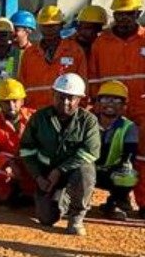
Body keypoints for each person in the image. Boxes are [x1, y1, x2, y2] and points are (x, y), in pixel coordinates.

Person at [87, 0, 145, 221]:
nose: (123, 18)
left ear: (138, 13)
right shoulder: (102, 43)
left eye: (128, 14)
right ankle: (119, 198)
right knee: (113, 157)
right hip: (111, 112)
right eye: (119, 14)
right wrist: (95, 110)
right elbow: (94, 79)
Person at [19, 73, 100, 236]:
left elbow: (91, 152)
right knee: (46, 219)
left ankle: (76, 216)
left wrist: (60, 170)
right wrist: (38, 177)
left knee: (86, 170)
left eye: (71, 98)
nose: (65, 102)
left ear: (80, 99)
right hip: (47, 175)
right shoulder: (39, 118)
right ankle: (60, 199)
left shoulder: (88, 120)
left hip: (74, 173)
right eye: (61, 97)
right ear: (53, 94)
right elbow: (27, 150)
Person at [17, 6, 88, 113]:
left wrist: (79, 109)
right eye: (45, 26)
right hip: (34, 112)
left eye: (53, 26)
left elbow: (83, 81)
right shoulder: (29, 53)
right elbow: (21, 84)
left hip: (65, 111)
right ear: (39, 27)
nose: (49, 30)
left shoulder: (75, 51)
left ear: (61, 26)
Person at [0, 78, 35, 206]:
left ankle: (27, 191)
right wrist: (7, 163)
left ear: (22, 101)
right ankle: (3, 192)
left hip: (30, 162)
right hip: (7, 165)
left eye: (15, 101)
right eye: (6, 102)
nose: (11, 106)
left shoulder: (33, 117)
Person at [92, 80, 139, 221]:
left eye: (117, 100)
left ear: (124, 106)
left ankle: (116, 202)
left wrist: (123, 166)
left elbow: (130, 155)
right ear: (98, 103)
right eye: (105, 98)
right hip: (87, 170)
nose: (110, 103)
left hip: (111, 172)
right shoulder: (88, 121)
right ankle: (74, 201)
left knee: (128, 174)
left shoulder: (129, 127)